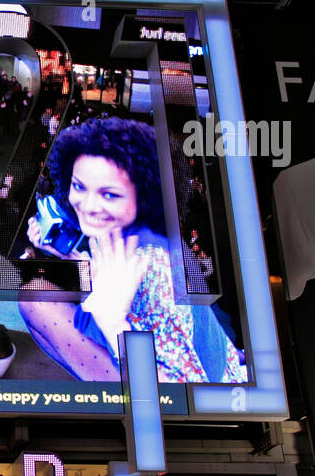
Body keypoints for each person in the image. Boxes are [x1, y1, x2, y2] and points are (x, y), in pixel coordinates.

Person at [18, 118, 245, 383]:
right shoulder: (144, 237)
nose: (88, 205)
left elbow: (185, 397)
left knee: (34, 299)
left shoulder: (156, 268)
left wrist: (113, 323)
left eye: (109, 194)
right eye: (79, 186)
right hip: (198, 360)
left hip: (186, 394)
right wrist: (63, 254)